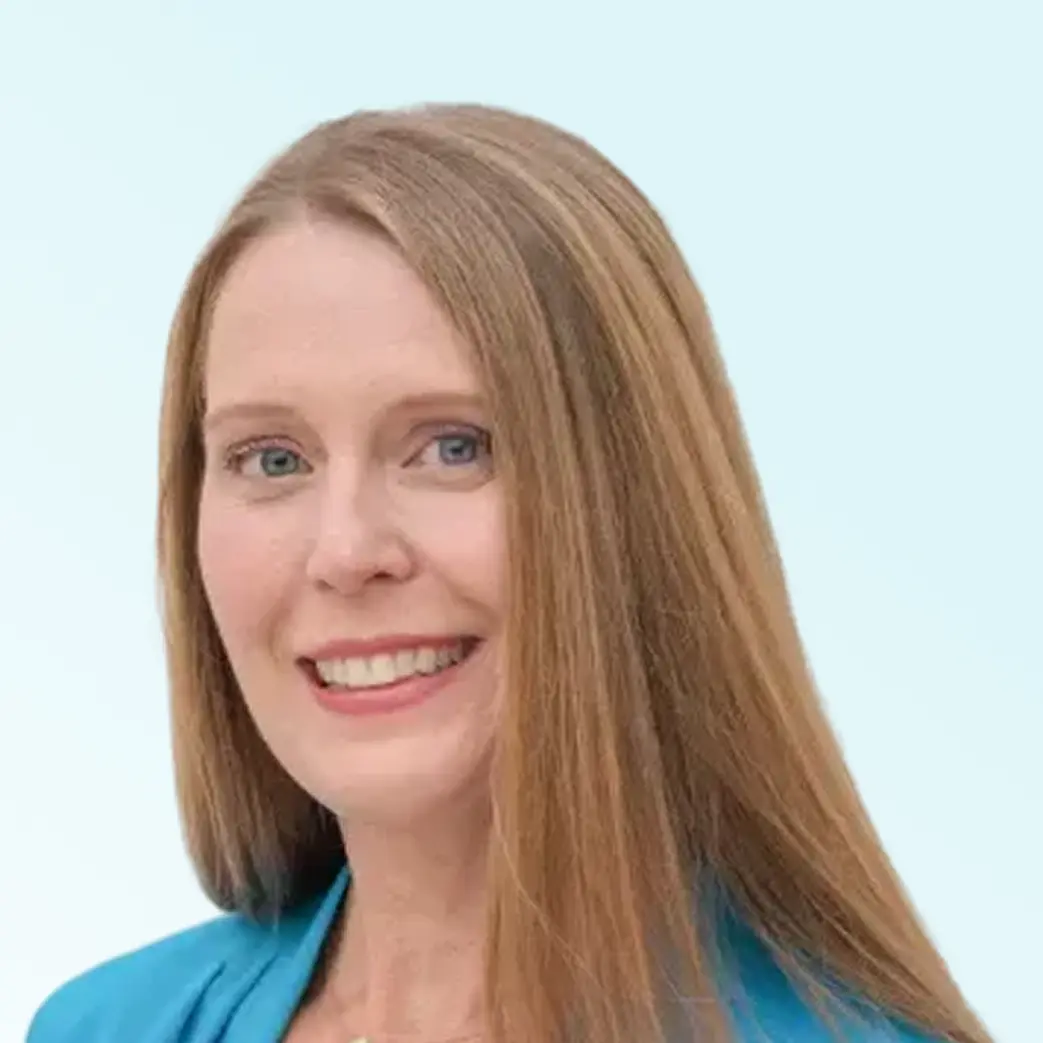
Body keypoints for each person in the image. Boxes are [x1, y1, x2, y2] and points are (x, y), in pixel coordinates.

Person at [27, 103, 992, 1043]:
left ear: (633, 505)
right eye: (272, 459)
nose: (346, 552)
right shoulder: (105, 1025)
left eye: (453, 446)